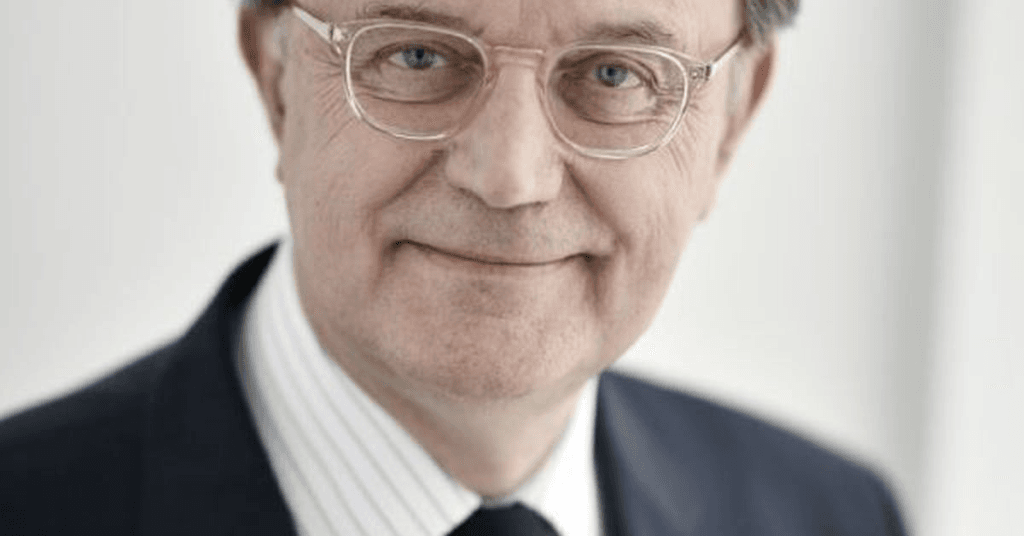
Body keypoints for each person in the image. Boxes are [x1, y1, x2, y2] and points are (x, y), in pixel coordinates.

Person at [0, 0, 907, 534]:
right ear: (276, 78)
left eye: (615, 75)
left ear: (733, 121)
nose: (509, 177)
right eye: (417, 54)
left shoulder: (831, 518)